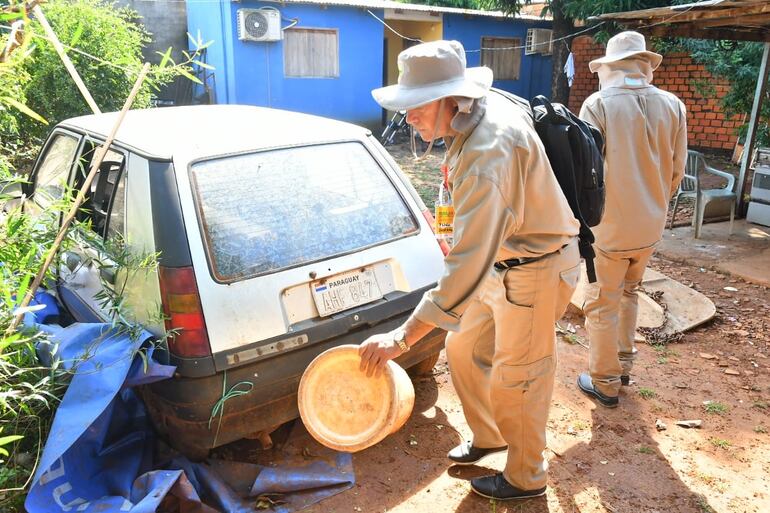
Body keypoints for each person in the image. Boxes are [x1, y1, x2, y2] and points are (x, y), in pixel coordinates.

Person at [358, 40, 581, 501]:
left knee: (520, 376)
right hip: (501, 261)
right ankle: (492, 434)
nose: (409, 117)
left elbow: (466, 265)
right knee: (462, 347)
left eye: (418, 105)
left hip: (534, 268)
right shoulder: (474, 111)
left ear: (451, 98)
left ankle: (526, 476)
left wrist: (402, 338)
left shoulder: (486, 155)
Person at [576, 31, 687, 408]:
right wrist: (652, 204)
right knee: (629, 293)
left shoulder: (598, 104)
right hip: (650, 227)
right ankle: (622, 367)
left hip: (608, 228)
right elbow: (677, 171)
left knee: (602, 304)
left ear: (610, 66)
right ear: (643, 65)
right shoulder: (674, 105)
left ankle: (605, 382)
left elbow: (585, 174)